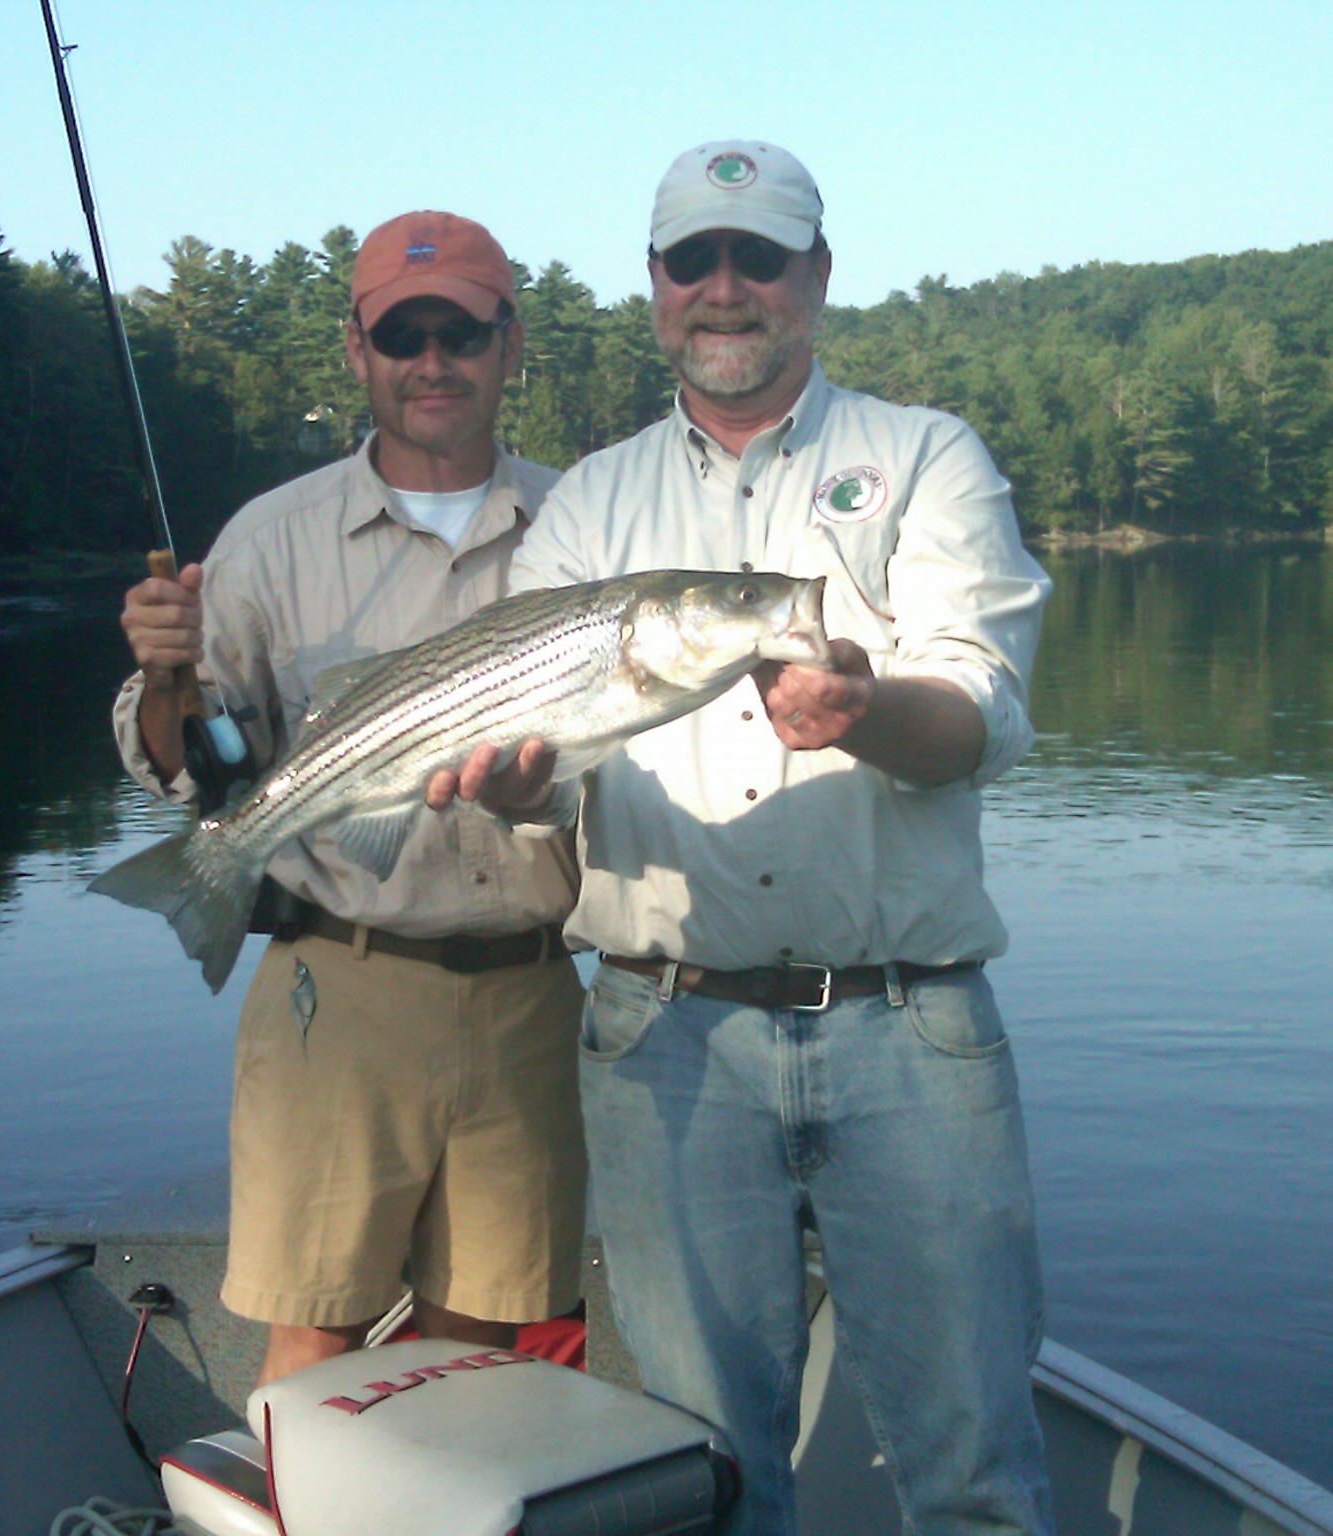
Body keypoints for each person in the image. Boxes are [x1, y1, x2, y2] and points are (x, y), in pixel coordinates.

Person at [435, 142, 1054, 1534]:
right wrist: (514, 783)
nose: (725, 289)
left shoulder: (923, 455)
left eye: (758, 257)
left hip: (912, 1028)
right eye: (693, 260)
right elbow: (547, 775)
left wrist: (863, 711)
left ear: (815, 277)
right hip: (667, 1032)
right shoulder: (591, 503)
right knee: (704, 1480)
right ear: (655, 288)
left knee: (977, 1477)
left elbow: (981, 713)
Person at [115, 211, 586, 1387]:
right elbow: (190, 764)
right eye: (402, 334)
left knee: (488, 1344)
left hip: (537, 992)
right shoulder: (268, 539)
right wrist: (168, 675)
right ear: (358, 350)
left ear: (509, 342)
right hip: (340, 983)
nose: (433, 361)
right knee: (313, 1331)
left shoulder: (585, 522)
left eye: (461, 332)